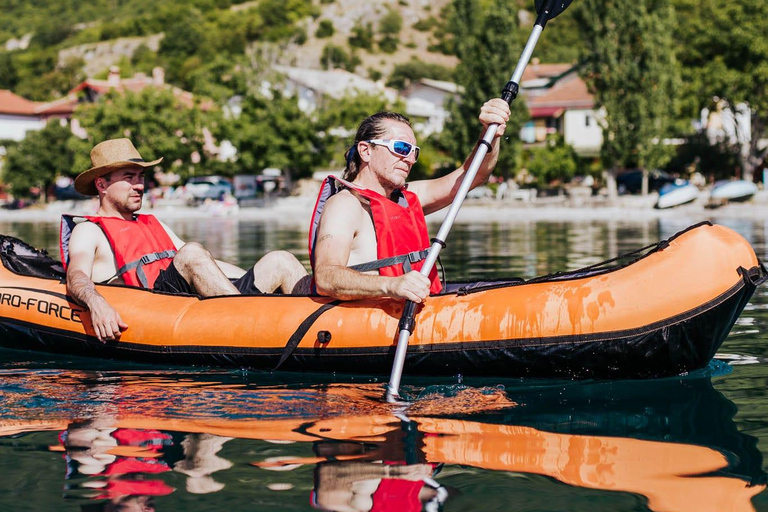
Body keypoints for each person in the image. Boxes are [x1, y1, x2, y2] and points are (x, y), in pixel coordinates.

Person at [63, 138, 308, 342]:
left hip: (203, 301)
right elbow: (76, 276)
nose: (139, 185)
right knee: (191, 252)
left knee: (280, 260)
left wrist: (246, 276)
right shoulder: (89, 231)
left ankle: (324, 320)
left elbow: (204, 263)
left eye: (141, 177)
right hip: (160, 311)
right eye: (129, 177)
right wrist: (96, 303)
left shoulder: (152, 222)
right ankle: (255, 329)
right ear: (101, 184)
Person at [309, 99, 510, 303]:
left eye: (414, 152)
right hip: (364, 321)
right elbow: (326, 277)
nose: (410, 159)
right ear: (365, 151)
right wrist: (391, 284)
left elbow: (472, 176)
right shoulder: (345, 204)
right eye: (402, 148)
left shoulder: (408, 197)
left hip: (417, 308)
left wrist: (490, 133)